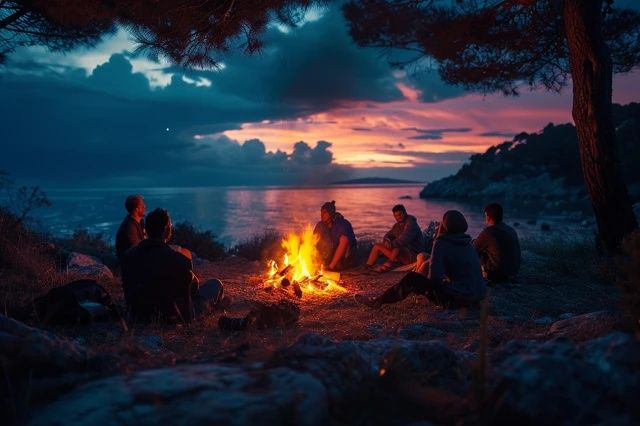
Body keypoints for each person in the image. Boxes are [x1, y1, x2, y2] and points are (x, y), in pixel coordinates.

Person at [355, 210, 486, 309]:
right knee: (427, 262)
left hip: (459, 300)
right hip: (478, 297)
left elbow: (435, 278)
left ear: (445, 225)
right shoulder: (467, 242)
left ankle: (378, 301)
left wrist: (422, 283)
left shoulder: (442, 243)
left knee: (412, 278)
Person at [121, 208, 225, 323]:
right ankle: (213, 306)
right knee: (215, 284)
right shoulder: (177, 259)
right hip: (172, 318)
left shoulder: (128, 256)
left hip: (138, 315)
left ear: (146, 230)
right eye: (170, 224)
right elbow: (193, 289)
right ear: (166, 229)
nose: (171, 227)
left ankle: (215, 305)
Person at [366, 204, 424, 272]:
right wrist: (386, 241)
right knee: (377, 246)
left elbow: (403, 240)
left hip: (414, 255)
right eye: (396, 216)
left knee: (397, 245)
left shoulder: (411, 224)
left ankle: (388, 264)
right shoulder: (396, 226)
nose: (398, 217)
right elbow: (387, 235)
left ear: (405, 212)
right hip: (403, 255)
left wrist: (391, 244)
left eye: (400, 214)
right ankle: (368, 267)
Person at [473, 203, 521, 283]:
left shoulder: (488, 232)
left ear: (488, 217)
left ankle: (476, 275)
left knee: (475, 252)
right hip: (514, 272)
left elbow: (473, 249)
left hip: (498, 275)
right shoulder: (510, 229)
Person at [313, 201, 357, 271]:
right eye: (321, 212)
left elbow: (345, 242)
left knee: (344, 240)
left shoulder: (342, 224)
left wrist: (331, 267)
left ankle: (332, 266)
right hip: (333, 252)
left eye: (325, 212)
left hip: (347, 256)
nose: (322, 214)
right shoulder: (321, 225)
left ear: (330, 213)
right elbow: (314, 240)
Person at [115, 194, 146, 262]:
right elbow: (136, 250)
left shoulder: (139, 223)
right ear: (136, 209)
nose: (145, 206)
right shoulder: (129, 227)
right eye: (142, 205)